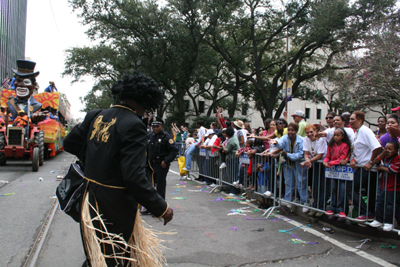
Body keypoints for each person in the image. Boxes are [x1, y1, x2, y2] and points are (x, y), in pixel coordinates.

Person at [64, 72, 173, 267]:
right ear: (145, 101)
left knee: (96, 256)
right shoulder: (134, 125)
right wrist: (161, 208)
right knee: (113, 259)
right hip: (113, 206)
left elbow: (70, 143)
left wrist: (95, 159)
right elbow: (134, 178)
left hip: (88, 199)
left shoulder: (96, 115)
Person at [349, 111, 381, 222]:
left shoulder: (365, 131)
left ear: (360, 120)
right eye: (350, 119)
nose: (350, 121)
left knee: (351, 189)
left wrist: (371, 162)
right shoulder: (357, 132)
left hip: (366, 168)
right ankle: (370, 215)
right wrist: (353, 159)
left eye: (352, 119)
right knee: (369, 193)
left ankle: (364, 212)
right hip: (360, 167)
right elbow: (355, 149)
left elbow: (377, 147)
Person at [270, 123, 308, 212]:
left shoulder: (301, 140)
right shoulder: (285, 138)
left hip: (299, 164)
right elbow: (280, 143)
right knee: (288, 182)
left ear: (296, 131)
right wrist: (276, 143)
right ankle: (288, 200)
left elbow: (299, 154)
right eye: (289, 130)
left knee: (301, 182)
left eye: (292, 130)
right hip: (288, 164)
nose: (290, 132)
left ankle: (305, 202)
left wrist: (287, 154)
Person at [370, 141, 400, 231]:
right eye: (386, 149)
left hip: (393, 186)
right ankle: (378, 219)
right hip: (383, 185)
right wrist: (382, 154)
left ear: (396, 150)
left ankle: (389, 222)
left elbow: (393, 170)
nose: (388, 151)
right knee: (379, 202)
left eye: (390, 149)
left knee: (390, 205)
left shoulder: (397, 158)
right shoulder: (385, 158)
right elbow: (375, 162)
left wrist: (382, 168)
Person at [147, 116, 178, 201]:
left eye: (157, 126)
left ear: (161, 126)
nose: (155, 129)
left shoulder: (166, 137)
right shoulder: (150, 136)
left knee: (160, 186)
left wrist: (166, 161)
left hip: (161, 164)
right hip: (151, 164)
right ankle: (150, 207)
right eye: (153, 127)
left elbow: (174, 150)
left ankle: (160, 208)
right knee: (150, 186)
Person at [323, 128, 352, 221]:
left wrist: (331, 163)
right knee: (334, 188)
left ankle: (341, 208)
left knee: (342, 190)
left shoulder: (345, 145)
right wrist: (325, 162)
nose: (335, 137)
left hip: (341, 171)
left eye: (338, 135)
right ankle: (333, 207)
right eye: (334, 135)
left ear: (343, 136)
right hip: (333, 171)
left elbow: (343, 157)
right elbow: (328, 156)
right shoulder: (331, 145)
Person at [300, 125, 327, 217]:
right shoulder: (306, 139)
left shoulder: (320, 140)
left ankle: (321, 207)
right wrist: (307, 160)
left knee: (322, 186)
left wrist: (307, 161)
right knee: (314, 185)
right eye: (307, 132)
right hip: (314, 163)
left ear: (316, 131)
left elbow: (320, 155)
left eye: (311, 132)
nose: (310, 134)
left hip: (323, 163)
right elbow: (306, 153)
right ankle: (315, 206)